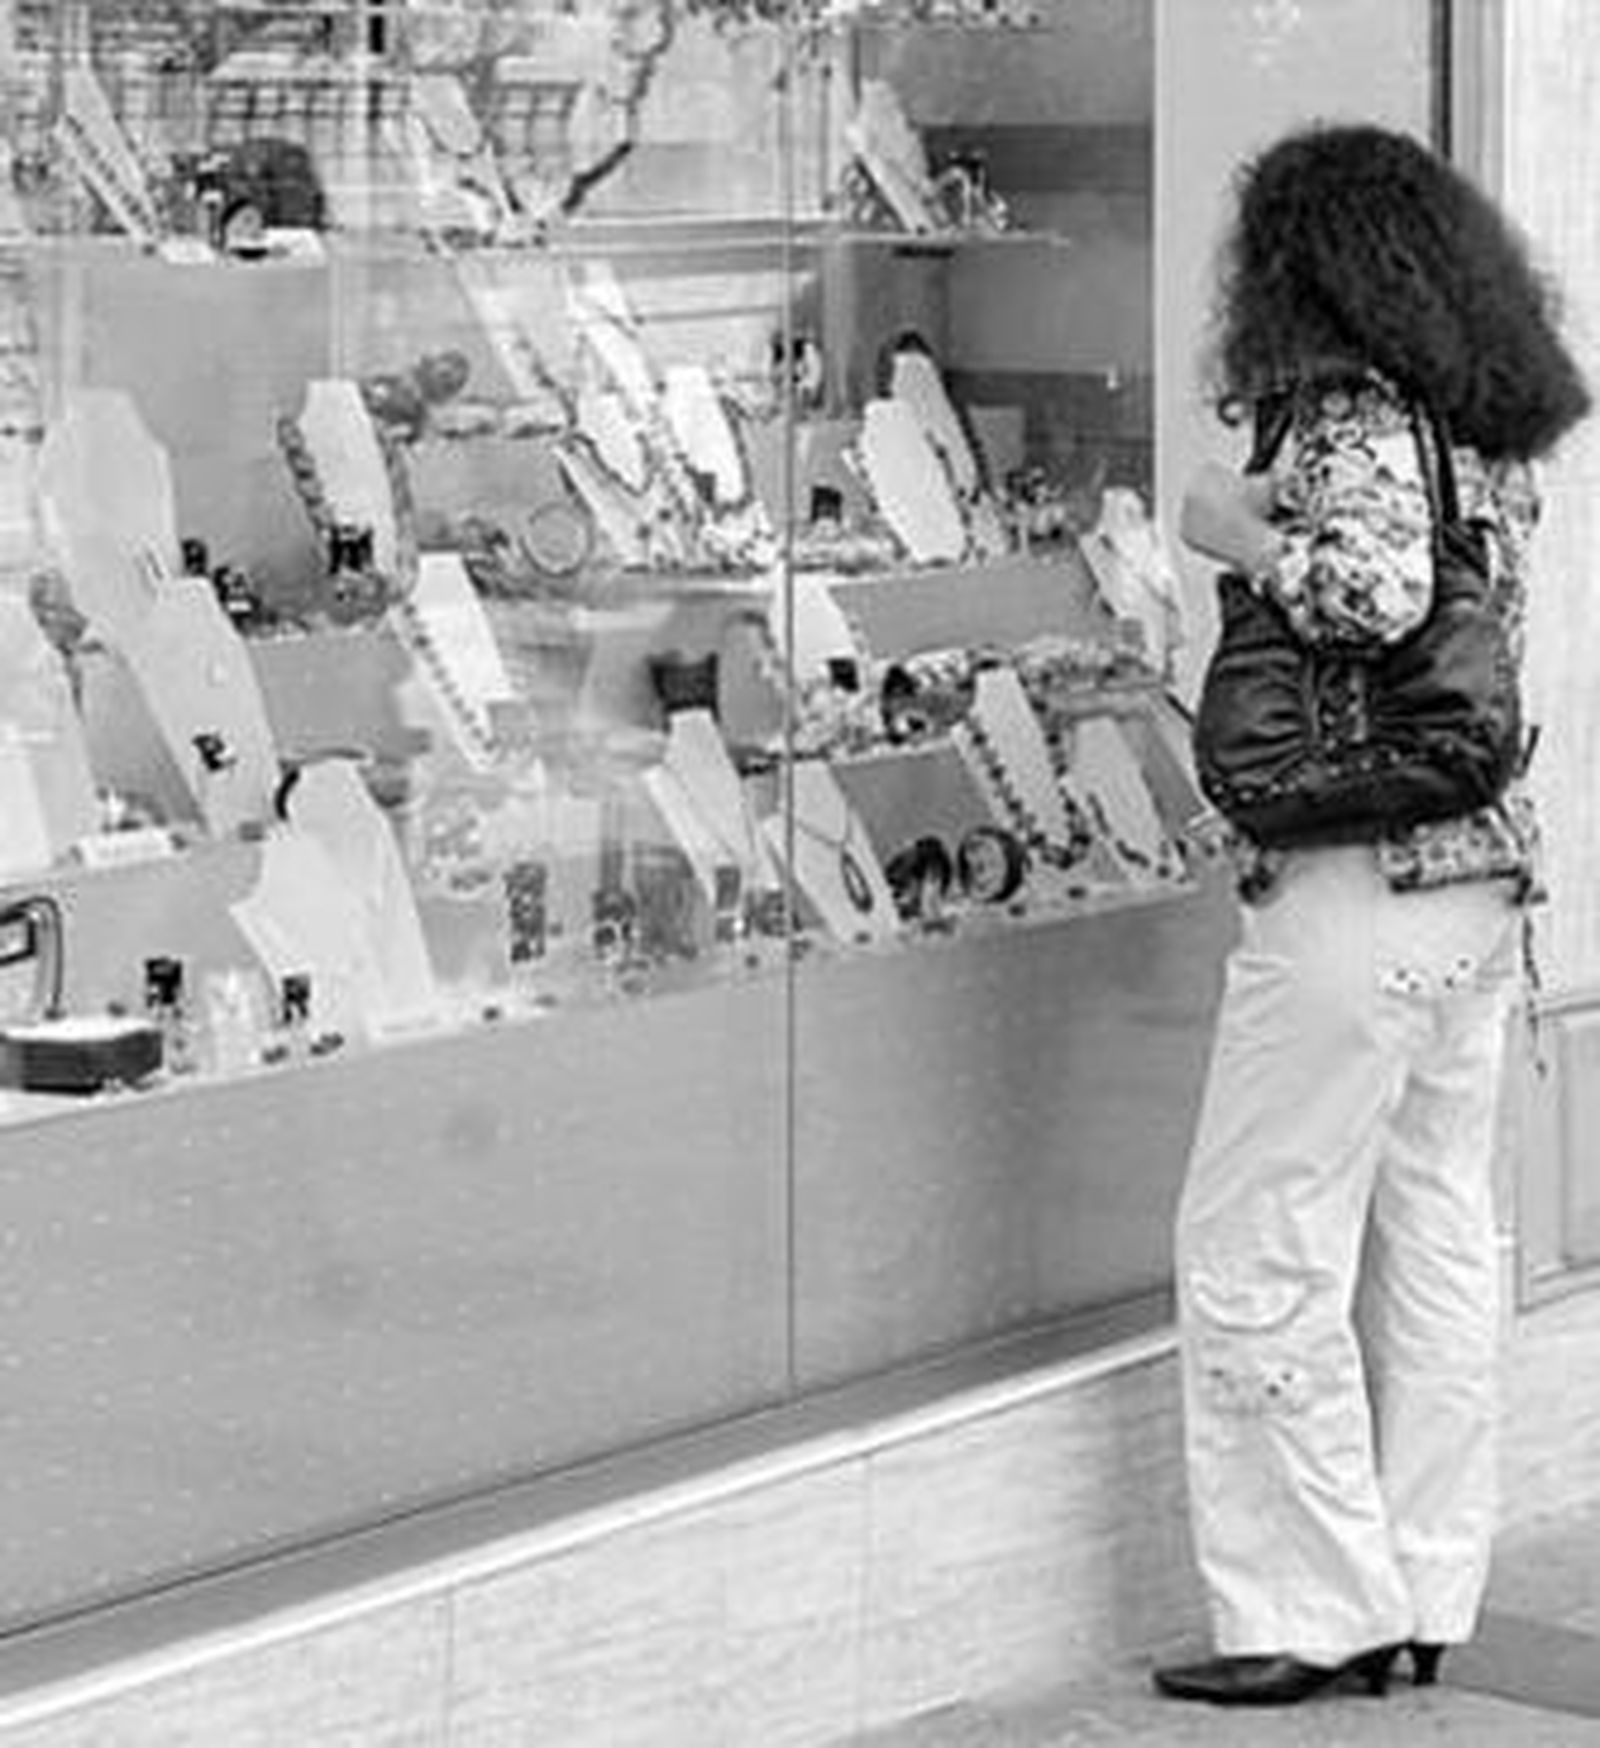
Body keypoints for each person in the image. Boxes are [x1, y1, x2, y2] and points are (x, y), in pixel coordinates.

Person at [1154, 122, 1590, 1708]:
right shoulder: (1478, 419)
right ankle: (1421, 1587)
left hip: (1356, 888)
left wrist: (1232, 530)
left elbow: (1368, 597)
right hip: (1477, 886)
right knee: (1435, 1248)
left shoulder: (1345, 412)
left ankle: (1300, 1608)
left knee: (1258, 1240)